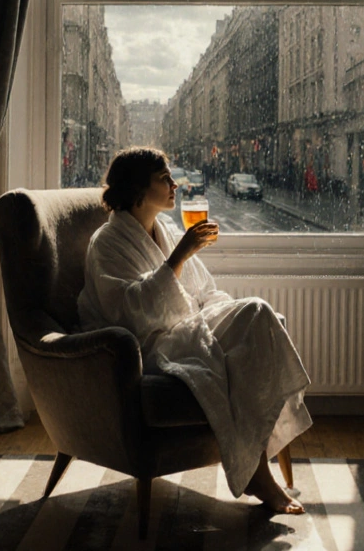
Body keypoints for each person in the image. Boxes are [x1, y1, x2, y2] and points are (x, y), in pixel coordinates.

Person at [77, 146, 312, 514]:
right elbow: (129, 311)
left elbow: (203, 291)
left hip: (187, 325)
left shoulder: (166, 228)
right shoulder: (107, 243)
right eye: (163, 178)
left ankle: (255, 460)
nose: (175, 184)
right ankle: (258, 473)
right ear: (139, 188)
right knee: (257, 315)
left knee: (259, 317)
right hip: (149, 348)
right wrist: (178, 257)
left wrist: (225, 313)